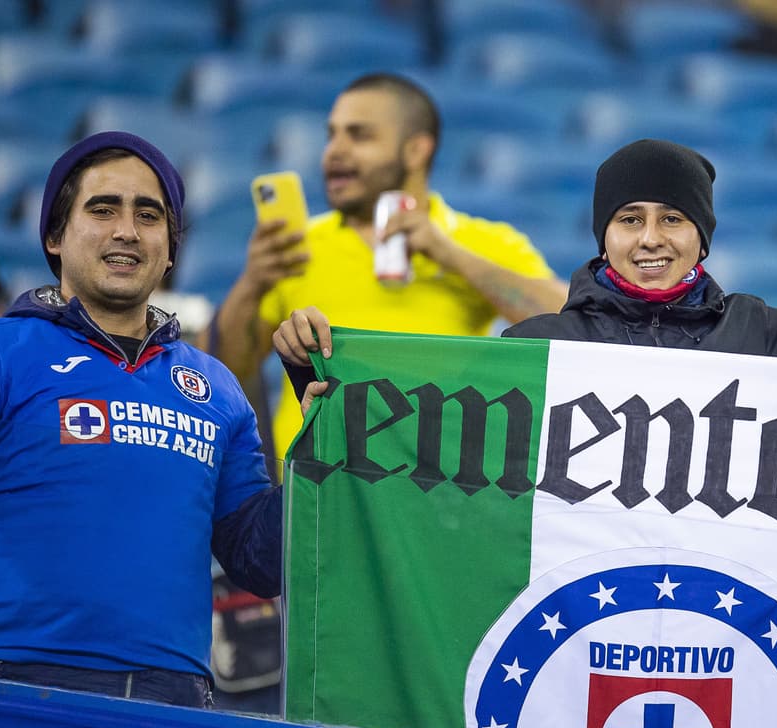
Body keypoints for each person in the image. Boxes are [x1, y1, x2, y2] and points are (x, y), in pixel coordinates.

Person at [275, 34, 777, 383]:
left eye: (673, 219)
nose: (651, 238)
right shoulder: (538, 346)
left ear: (701, 240)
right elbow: (412, 414)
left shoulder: (766, 336)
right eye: (628, 219)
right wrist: (318, 364)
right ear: (603, 238)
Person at [0, 132, 281, 709]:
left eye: (149, 215)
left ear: (169, 250)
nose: (126, 230)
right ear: (54, 236)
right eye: (102, 209)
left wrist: (324, 436)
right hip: (10, 681)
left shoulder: (217, 388)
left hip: (172, 696)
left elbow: (259, 563)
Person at [211, 72, 568, 467]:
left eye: (359, 135)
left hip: (436, 496)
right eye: (332, 135)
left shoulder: (477, 241)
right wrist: (252, 284)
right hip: (316, 501)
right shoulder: (295, 247)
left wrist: (449, 255)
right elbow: (227, 377)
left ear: (416, 151)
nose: (333, 152)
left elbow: (569, 322)